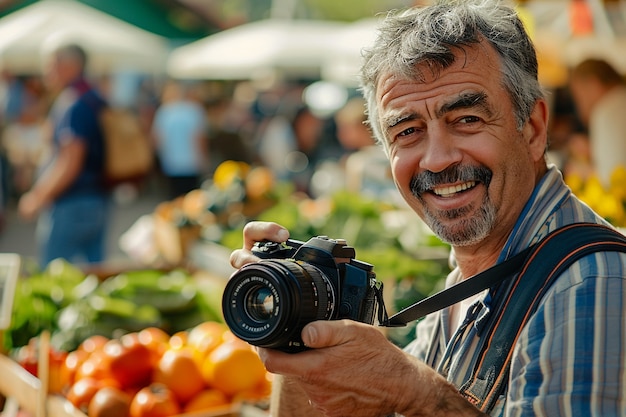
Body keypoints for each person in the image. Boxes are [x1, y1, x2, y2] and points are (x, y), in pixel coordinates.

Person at [229, 1, 626, 416]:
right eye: (408, 131)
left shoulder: (590, 282)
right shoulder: (468, 285)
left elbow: (413, 392)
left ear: (533, 129)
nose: (437, 159)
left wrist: (417, 393)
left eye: (467, 118)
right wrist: (294, 323)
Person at [18, 44, 110, 268]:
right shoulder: (94, 96)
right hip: (98, 199)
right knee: (93, 272)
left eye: (50, 65)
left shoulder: (73, 103)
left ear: (68, 66)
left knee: (54, 275)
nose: (46, 72)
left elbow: (71, 161)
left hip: (72, 201)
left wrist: (37, 197)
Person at [568, 58, 626, 186]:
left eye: (578, 97)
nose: (579, 108)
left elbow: (612, 180)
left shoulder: (606, 110)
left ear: (593, 84)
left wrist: (581, 172)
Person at [151, 80, 208, 199]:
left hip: (171, 163)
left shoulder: (165, 111)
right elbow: (199, 138)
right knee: (193, 199)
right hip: (192, 162)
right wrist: (203, 158)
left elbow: (157, 139)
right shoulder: (193, 110)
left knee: (175, 199)